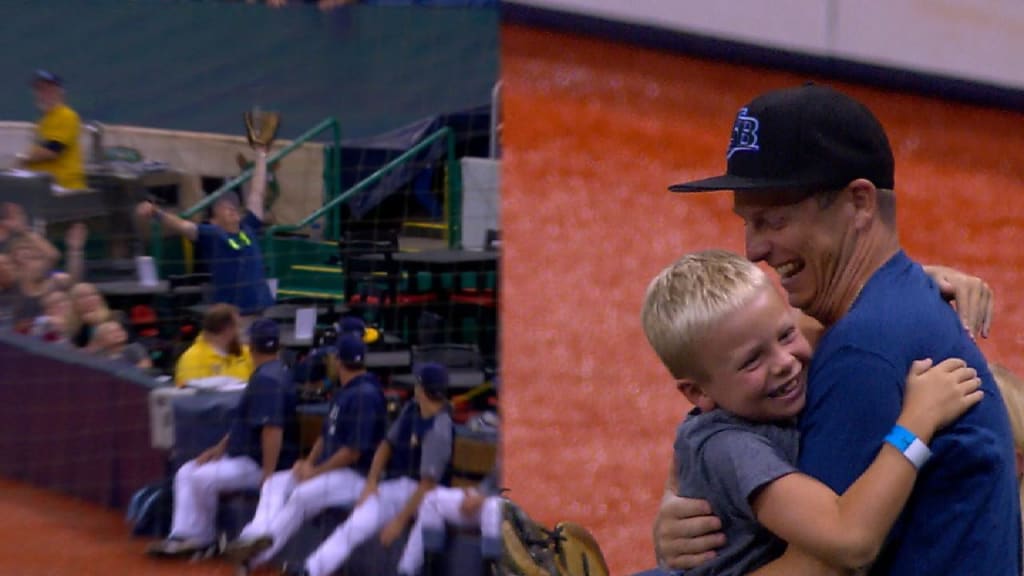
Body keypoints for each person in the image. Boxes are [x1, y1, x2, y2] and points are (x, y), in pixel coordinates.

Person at [656, 83, 1021, 575]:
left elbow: (833, 560)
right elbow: (717, 401)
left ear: (859, 204)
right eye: (748, 222)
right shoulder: (883, 309)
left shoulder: (865, 351)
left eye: (774, 220)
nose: (754, 249)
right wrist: (683, 499)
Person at [640, 249, 983, 575]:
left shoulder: (758, 375)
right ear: (697, 392)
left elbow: (838, 317)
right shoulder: (731, 448)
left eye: (786, 335)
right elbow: (852, 540)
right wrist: (918, 420)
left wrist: (919, 283)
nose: (785, 363)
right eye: (752, 361)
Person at [221, 333, 389, 569]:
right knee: (276, 483)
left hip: (357, 477)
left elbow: (353, 452)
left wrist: (316, 472)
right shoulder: (346, 389)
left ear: (339, 361)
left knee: (302, 495)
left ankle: (256, 556)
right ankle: (253, 537)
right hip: (330, 471)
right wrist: (308, 463)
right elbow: (325, 435)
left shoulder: (365, 395)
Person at [285, 362, 455, 576]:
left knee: (421, 534)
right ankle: (311, 569)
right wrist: (372, 482)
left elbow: (427, 485)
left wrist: (398, 522)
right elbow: (386, 445)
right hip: (399, 486)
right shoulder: (412, 409)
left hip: (430, 497)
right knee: (356, 524)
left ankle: (406, 571)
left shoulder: (440, 428)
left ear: (423, 389)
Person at [147, 318, 299, 557]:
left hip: (261, 464)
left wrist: (268, 475)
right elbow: (250, 421)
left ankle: (201, 537)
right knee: (188, 471)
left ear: (251, 345)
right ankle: (187, 535)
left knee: (200, 477)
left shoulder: (267, 379)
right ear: (277, 346)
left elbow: (273, 430)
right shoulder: (271, 372)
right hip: (249, 457)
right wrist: (219, 447)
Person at [135, 141, 274, 322]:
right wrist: (156, 212)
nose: (231, 208)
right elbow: (183, 226)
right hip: (234, 317)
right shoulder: (212, 235)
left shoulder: (249, 227)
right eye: (223, 207)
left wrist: (261, 155)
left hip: (261, 311)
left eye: (233, 206)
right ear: (214, 220)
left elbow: (257, 193)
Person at [397, 459, 504, 576]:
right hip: (488, 495)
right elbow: (495, 476)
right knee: (432, 500)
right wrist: (478, 493)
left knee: (493, 509)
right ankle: (426, 570)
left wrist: (482, 496)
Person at [16, 70, 85, 191]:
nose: (42, 94)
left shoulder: (67, 115)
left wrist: (24, 158)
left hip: (62, 187)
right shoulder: (44, 121)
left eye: (47, 89)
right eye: (39, 90)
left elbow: (53, 150)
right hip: (44, 186)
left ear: (59, 92)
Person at [174, 303, 254, 388]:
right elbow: (189, 395)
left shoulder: (246, 353)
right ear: (227, 329)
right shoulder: (192, 359)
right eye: (239, 327)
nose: (241, 332)